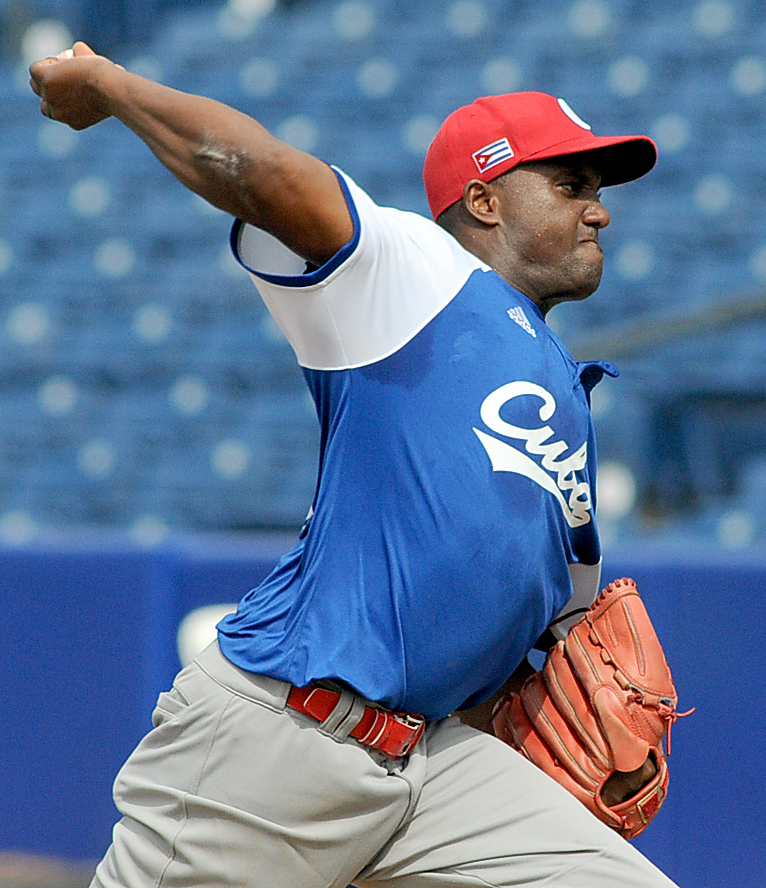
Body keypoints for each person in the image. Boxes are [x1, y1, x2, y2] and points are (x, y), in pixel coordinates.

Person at [30, 41, 677, 888]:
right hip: (280, 740)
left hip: (426, 765)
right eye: (570, 186)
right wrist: (112, 88)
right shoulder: (414, 276)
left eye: (597, 193)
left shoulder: (558, 387)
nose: (598, 212)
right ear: (484, 199)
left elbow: (522, 631)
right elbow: (262, 172)